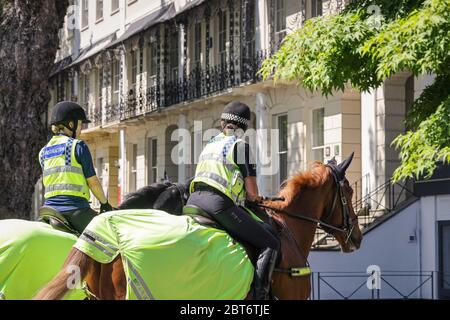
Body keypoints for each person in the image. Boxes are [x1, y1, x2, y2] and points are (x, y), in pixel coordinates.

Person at [186, 101, 280, 300]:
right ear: (244, 127)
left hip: (193, 202)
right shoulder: (239, 146)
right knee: (270, 243)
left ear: (222, 123)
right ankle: (260, 297)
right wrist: (257, 198)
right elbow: (252, 192)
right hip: (217, 205)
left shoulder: (210, 144)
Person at [39, 101, 112, 234]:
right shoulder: (77, 146)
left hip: (49, 210)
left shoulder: (43, 152)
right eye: (80, 124)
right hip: (75, 210)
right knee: (110, 238)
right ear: (71, 124)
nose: (81, 129)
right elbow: (93, 182)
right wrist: (105, 203)